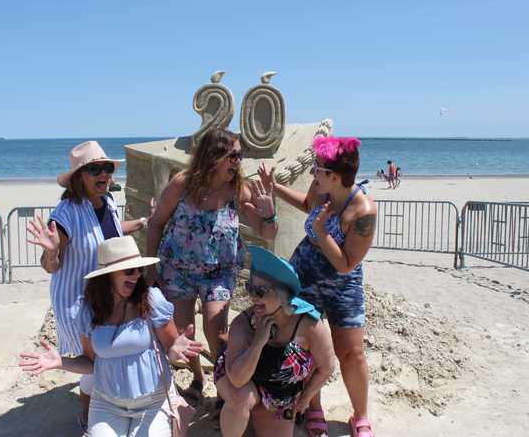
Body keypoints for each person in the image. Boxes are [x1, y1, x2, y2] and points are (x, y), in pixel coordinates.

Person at [146, 129, 278, 418]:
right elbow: (156, 224)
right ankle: (197, 377)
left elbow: (267, 232)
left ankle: (223, 385)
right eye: (233, 155)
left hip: (219, 271)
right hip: (177, 269)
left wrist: (269, 212)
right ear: (213, 156)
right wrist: (149, 267)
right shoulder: (183, 185)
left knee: (217, 331)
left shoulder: (238, 190)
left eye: (240, 156)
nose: (238, 161)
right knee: (182, 331)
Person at [19, 236, 203, 437]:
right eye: (129, 271)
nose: (136, 276)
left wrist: (175, 350)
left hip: (153, 402)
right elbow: (91, 363)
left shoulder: (151, 300)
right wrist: (60, 362)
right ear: (108, 275)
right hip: (107, 403)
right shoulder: (88, 311)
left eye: (139, 270)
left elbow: (171, 349)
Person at [26, 140, 151, 431]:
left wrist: (145, 221)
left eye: (106, 168)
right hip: (77, 300)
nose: (104, 174)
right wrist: (53, 250)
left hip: (106, 295)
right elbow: (50, 266)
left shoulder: (106, 203)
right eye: (95, 169)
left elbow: (115, 229)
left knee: (103, 356)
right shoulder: (67, 212)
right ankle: (88, 415)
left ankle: (102, 410)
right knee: (96, 361)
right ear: (80, 177)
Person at [258, 135, 377, 437]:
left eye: (318, 168)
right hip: (305, 273)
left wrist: (322, 233)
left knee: (351, 353)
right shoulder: (321, 189)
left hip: (341, 283)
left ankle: (360, 416)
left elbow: (346, 264)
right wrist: (274, 188)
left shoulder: (362, 212)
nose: (313, 172)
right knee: (306, 344)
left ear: (334, 177)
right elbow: (308, 204)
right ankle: (314, 407)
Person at [215, 246, 336, 437]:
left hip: (279, 393)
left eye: (261, 291)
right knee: (240, 399)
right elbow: (237, 380)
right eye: (250, 288)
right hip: (241, 382)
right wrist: (258, 342)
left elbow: (327, 366)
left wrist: (305, 398)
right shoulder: (243, 323)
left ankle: (256, 410)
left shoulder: (309, 325)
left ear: (282, 296)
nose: (253, 296)